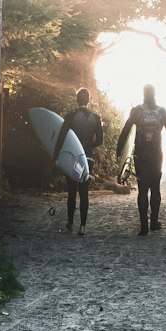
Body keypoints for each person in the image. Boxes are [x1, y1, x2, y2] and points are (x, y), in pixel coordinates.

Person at [116, 84, 166, 236]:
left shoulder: (136, 112)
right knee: (155, 189)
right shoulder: (162, 112)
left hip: (140, 155)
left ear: (143, 94)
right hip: (156, 155)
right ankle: (154, 222)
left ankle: (143, 227)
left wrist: (118, 151)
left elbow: (125, 132)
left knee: (142, 189)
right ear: (154, 94)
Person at [53, 88, 104, 235]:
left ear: (77, 100)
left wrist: (56, 157)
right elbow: (100, 140)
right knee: (84, 193)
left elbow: (61, 137)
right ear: (88, 100)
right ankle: (83, 226)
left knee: (71, 191)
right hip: (88, 158)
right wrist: (88, 146)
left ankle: (70, 222)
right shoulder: (96, 118)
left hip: (72, 158)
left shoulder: (70, 116)